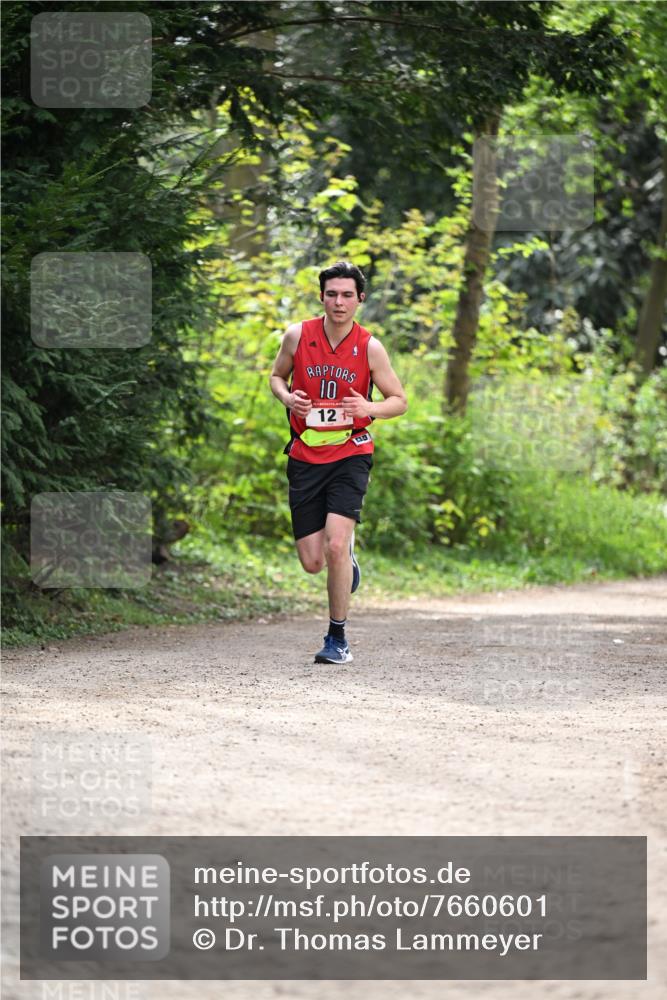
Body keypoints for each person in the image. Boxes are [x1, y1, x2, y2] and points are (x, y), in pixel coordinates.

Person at [269, 260, 407, 664]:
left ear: (360, 299)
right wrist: (287, 397)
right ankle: (344, 562)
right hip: (305, 455)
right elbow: (277, 376)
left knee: (333, 544)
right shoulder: (297, 335)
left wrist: (368, 407)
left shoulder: (369, 346)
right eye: (332, 294)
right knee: (314, 562)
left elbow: (399, 401)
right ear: (322, 297)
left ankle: (337, 639)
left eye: (348, 294)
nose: (339, 302)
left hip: (351, 453)